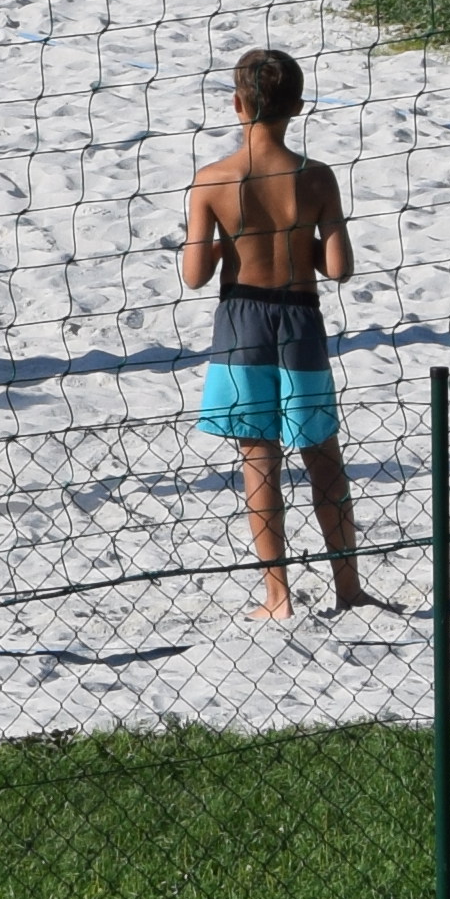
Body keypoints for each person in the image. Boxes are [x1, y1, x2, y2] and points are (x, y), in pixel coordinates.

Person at [181, 47, 375, 617]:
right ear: (298, 106)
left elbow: (195, 275)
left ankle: (277, 595)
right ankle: (348, 587)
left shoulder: (212, 181)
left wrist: (228, 241)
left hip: (242, 319)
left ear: (237, 104)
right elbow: (338, 269)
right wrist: (302, 240)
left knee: (258, 456)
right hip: (300, 318)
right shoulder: (316, 178)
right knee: (322, 456)